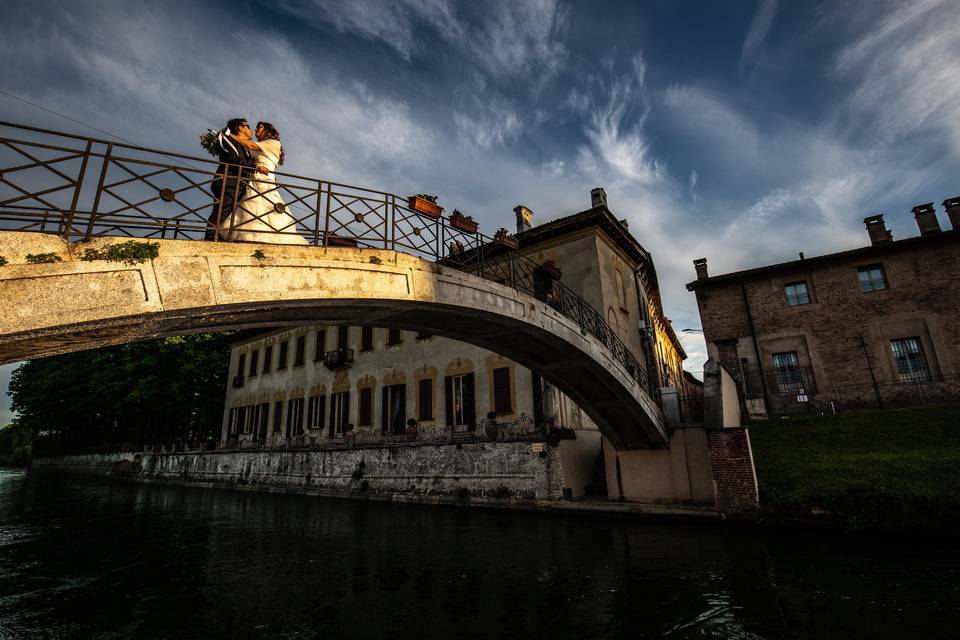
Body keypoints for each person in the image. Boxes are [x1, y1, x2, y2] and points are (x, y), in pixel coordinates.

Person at [227, 122, 307, 244]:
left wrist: (229, 135)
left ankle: (262, 234)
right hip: (256, 176)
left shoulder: (274, 143)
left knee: (264, 203)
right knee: (254, 204)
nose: (256, 129)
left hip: (265, 177)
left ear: (267, 131)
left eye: (259, 127)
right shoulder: (262, 145)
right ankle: (254, 233)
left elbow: (249, 144)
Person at [206, 118, 255, 240]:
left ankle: (223, 238)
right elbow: (232, 159)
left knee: (233, 216)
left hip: (241, 185)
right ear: (240, 128)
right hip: (228, 182)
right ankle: (210, 239)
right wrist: (255, 167)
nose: (250, 129)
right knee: (222, 211)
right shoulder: (228, 140)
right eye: (248, 126)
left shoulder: (247, 148)